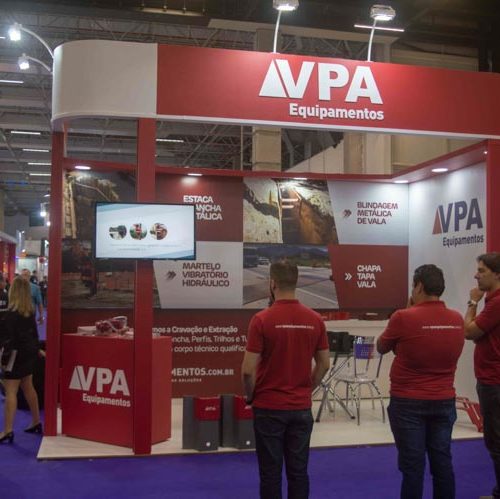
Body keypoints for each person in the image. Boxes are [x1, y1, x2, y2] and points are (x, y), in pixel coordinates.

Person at [241, 260, 330, 499]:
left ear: (272, 283)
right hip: (300, 407)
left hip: (269, 407)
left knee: (270, 473)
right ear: (296, 282)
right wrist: (307, 388)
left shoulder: (261, 319)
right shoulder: (315, 319)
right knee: (298, 472)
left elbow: (247, 370)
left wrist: (250, 396)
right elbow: (324, 364)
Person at [377, 264, 464, 499]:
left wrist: (407, 312)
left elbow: (381, 346)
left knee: (412, 468)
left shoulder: (403, 317)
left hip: (408, 402)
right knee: (442, 463)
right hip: (444, 400)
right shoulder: (457, 319)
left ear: (419, 287)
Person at [463, 252, 500, 499]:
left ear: (497, 274)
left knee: (496, 442)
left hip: (494, 381)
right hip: (492, 379)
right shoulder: (493, 301)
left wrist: (472, 302)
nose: (476, 275)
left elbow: (469, 332)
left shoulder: (496, 303)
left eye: (482, 271)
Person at [0, 277, 42, 443]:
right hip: (28, 354)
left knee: (10, 391)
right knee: (28, 387)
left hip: (14, 356)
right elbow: (34, 335)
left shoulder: (10, 315)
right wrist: (36, 350)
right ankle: (36, 421)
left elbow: (8, 341)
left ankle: (8, 430)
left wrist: (4, 361)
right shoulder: (29, 313)